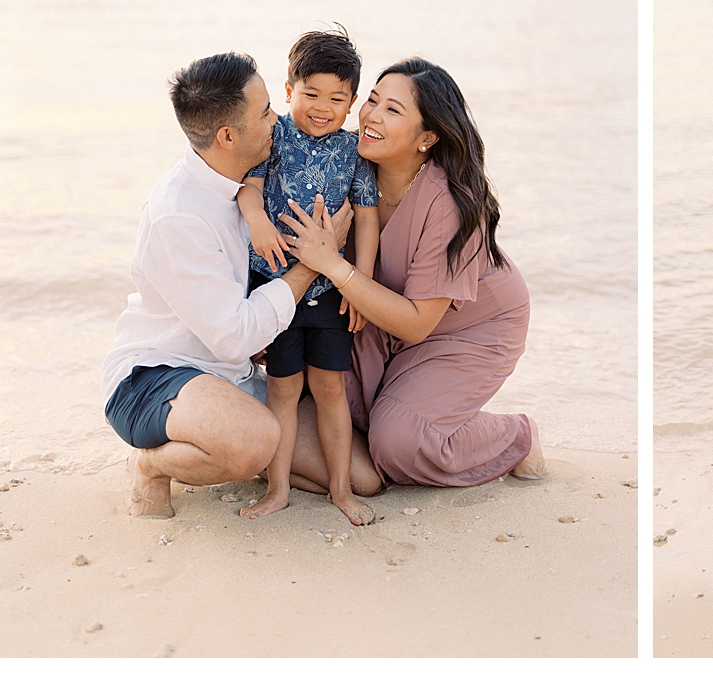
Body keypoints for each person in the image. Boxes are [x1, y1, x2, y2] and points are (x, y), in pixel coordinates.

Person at [274, 58, 545, 493]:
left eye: (393, 110)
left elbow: (418, 323)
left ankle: (513, 435)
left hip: (468, 328)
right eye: (373, 101)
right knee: (307, 384)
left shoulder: (449, 202)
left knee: (398, 442)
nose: (372, 116)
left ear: (427, 138)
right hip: (377, 318)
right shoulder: (346, 168)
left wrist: (332, 264)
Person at [101, 52, 352, 519]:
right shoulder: (177, 215)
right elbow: (235, 333)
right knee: (251, 443)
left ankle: (224, 448)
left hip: (233, 377)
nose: (276, 118)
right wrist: (317, 262)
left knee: (362, 475)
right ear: (228, 136)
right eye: (264, 113)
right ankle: (151, 464)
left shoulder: (256, 177)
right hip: (155, 377)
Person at [236, 28, 380, 526]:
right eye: (311, 94)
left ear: (352, 102)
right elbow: (249, 189)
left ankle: (341, 490)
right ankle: (278, 490)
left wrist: (359, 283)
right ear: (288, 89)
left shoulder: (355, 150)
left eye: (337, 98)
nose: (323, 107)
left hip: (329, 295)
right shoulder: (274, 136)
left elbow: (366, 217)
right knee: (281, 388)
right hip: (275, 290)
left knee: (331, 389)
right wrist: (255, 220)